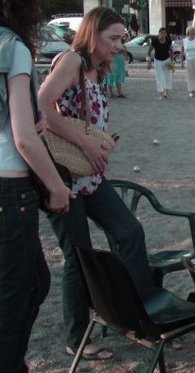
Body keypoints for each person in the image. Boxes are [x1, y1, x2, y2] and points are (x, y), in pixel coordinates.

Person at [38, 7, 155, 361]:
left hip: (90, 176)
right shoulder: (72, 60)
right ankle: (76, 338)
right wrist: (87, 143)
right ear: (93, 34)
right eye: (114, 39)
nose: (121, 46)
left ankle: (136, 316)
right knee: (79, 256)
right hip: (61, 175)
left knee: (130, 233)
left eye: (122, 39)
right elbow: (41, 104)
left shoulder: (95, 69)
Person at [0, 2, 72, 370]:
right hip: (11, 190)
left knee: (33, 282)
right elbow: (24, 138)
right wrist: (56, 186)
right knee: (16, 298)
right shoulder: (11, 47)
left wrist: (31, 117)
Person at [147, 27, 173, 100]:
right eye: (161, 33)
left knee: (168, 76)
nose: (163, 35)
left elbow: (171, 50)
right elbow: (149, 52)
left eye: (164, 33)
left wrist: (172, 61)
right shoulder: (155, 41)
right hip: (157, 60)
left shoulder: (168, 40)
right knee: (159, 77)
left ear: (166, 34)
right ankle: (161, 94)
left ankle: (167, 93)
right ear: (159, 34)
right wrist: (149, 62)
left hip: (167, 60)